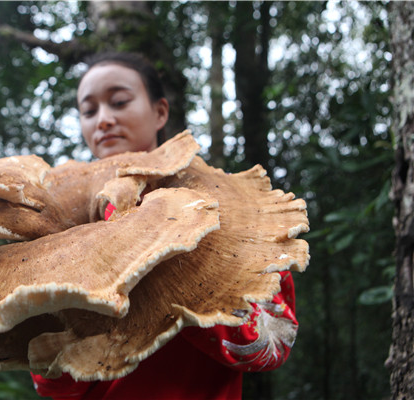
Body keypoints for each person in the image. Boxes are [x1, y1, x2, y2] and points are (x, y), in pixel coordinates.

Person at [31, 52, 298, 400]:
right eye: (89, 110)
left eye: (119, 101)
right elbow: (53, 384)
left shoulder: (231, 207)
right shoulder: (64, 226)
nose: (104, 120)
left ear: (160, 112)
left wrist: (168, 281)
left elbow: (270, 344)